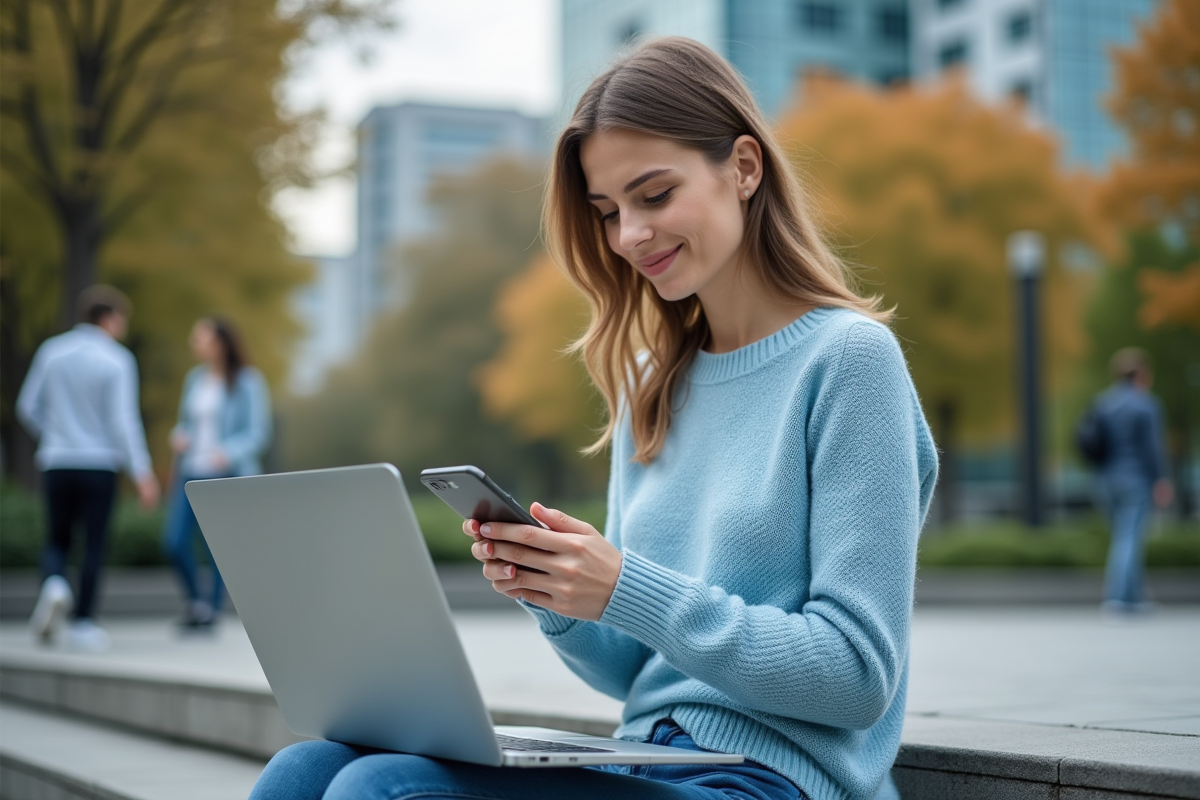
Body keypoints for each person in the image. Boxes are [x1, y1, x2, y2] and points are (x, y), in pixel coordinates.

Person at [250, 37, 937, 800]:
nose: (629, 236)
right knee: (305, 766)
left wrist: (627, 586)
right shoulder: (652, 382)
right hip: (650, 758)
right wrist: (558, 595)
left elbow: (855, 676)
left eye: (654, 195)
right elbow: (631, 671)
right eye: (608, 212)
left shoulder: (849, 361)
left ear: (743, 168)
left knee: (377, 788)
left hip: (772, 782)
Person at [16, 285, 160, 652]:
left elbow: (27, 406)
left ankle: (54, 583)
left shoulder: (52, 351)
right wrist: (142, 472)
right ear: (109, 317)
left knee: (56, 538)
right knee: (93, 543)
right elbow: (123, 421)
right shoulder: (117, 359)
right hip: (99, 463)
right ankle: (83, 621)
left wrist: (55, 434)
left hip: (57, 460)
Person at [162, 316, 272, 630]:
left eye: (201, 338)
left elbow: (257, 433)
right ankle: (197, 600)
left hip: (225, 475)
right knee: (174, 542)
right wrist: (179, 433)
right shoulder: (194, 379)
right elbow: (187, 422)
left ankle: (210, 610)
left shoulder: (248, 381)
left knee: (217, 548)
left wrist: (228, 452)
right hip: (190, 472)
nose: (194, 344)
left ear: (221, 342)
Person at [1093, 348, 1173, 615]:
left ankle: (1134, 599)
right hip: (1136, 479)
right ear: (1140, 374)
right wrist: (1161, 479)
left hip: (1106, 479)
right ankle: (1117, 599)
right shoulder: (1145, 404)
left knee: (1123, 537)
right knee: (1129, 539)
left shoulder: (1103, 403)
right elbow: (1153, 447)